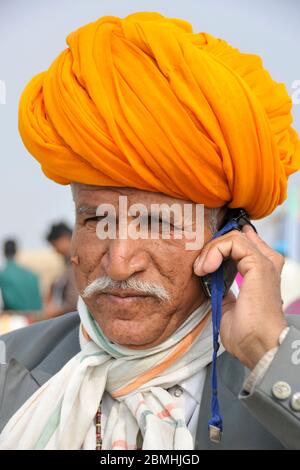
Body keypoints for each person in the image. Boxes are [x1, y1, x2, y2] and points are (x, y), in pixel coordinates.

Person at [1, 12, 300, 450]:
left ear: (230, 241)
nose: (120, 261)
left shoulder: (279, 372)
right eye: (95, 220)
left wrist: (265, 352)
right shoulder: (11, 369)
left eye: (159, 223)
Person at [42, 222, 78, 319]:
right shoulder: (68, 264)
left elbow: (74, 301)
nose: (55, 250)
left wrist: (55, 311)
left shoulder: (78, 263)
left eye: (55, 245)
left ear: (64, 238)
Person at [0, 239, 42, 313]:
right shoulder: (32, 275)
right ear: (16, 251)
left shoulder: (3, 275)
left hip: (14, 319)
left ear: (4, 252)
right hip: (35, 318)